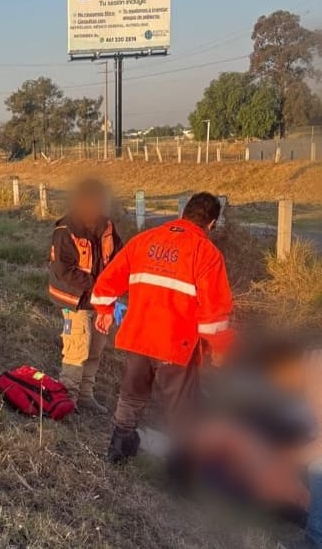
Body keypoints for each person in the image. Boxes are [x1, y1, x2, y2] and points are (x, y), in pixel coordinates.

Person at [92, 192, 234, 463]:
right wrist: (219, 348)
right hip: (175, 344)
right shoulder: (207, 253)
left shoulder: (144, 241)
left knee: (131, 394)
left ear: (183, 214)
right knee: (180, 407)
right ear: (212, 223)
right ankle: (181, 469)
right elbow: (214, 314)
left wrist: (105, 310)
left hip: (138, 337)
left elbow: (107, 281)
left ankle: (117, 450)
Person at [47, 179, 122, 413]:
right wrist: (100, 285)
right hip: (74, 300)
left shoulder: (108, 227)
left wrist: (115, 287)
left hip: (100, 301)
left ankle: (86, 395)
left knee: (96, 349)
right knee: (77, 347)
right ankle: (67, 397)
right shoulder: (64, 231)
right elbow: (64, 271)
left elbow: (120, 258)